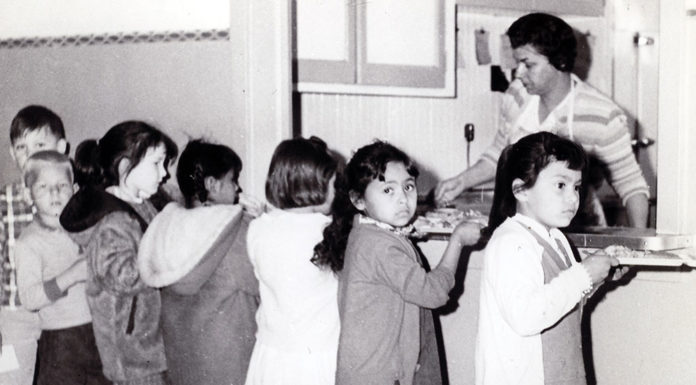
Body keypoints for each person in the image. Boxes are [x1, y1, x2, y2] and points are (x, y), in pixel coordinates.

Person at [435, 12, 650, 228]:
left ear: (560, 63)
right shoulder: (516, 96)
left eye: (528, 65)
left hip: (577, 228)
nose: (518, 73)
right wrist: (461, 181)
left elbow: (631, 187)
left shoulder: (602, 116)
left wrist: (640, 247)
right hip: (520, 224)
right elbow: (499, 153)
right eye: (518, 63)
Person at [313, 140, 481, 385]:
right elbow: (433, 293)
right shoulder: (381, 247)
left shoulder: (367, 231)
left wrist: (406, 235)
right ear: (358, 200)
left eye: (408, 187)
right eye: (388, 190)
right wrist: (457, 241)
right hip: (380, 376)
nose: (403, 199)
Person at [475, 132, 620, 385]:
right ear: (521, 190)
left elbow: (562, 299)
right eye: (560, 185)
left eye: (576, 187)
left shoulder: (556, 238)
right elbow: (526, 316)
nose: (573, 198)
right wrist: (583, 274)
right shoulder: (510, 242)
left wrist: (598, 276)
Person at [59, 121, 178, 385]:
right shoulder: (112, 223)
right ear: (126, 167)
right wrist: (168, 258)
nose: (164, 174)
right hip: (131, 353)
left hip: (151, 345)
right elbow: (122, 277)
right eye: (156, 164)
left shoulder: (143, 204)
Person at [137, 139, 259, 385]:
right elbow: (264, 284)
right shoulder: (235, 229)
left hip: (184, 363)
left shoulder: (166, 226)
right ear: (212, 184)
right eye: (233, 180)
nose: (238, 189)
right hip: (230, 363)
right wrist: (260, 223)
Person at [244, 136, 339, 385]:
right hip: (318, 355)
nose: (336, 191)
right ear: (314, 184)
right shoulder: (327, 230)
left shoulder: (258, 228)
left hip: (271, 353)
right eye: (333, 184)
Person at [15, 151, 110, 385]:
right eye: (43, 187)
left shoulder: (86, 228)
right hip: (60, 340)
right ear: (28, 195)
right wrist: (70, 277)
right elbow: (29, 298)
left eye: (62, 185)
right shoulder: (28, 242)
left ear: (75, 189)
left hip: (100, 330)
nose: (55, 193)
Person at [1, 105, 68, 385]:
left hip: (63, 307)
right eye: (21, 147)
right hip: (16, 308)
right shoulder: (4, 200)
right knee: (10, 375)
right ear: (11, 154)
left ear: (61, 148)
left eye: (39, 145)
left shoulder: (70, 197)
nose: (29, 154)